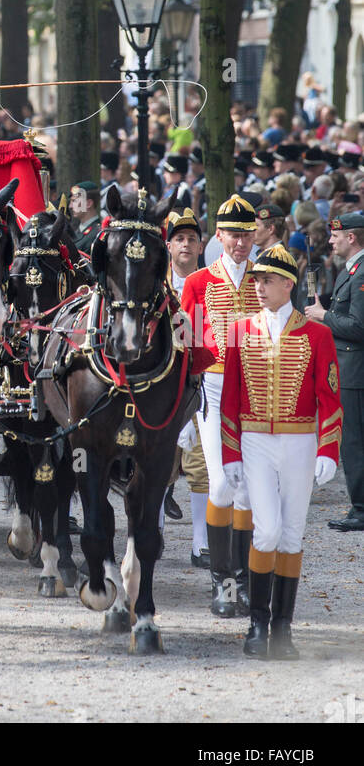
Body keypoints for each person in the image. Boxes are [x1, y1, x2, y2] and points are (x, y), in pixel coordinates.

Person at [223, 244, 342, 658]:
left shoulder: (318, 334)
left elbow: (329, 396)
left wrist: (328, 448)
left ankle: (282, 628)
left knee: (291, 535)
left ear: (289, 284)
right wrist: (230, 454)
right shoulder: (239, 331)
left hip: (299, 442)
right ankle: (257, 623)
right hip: (255, 440)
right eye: (255, 280)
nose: (258, 287)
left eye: (267, 280)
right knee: (267, 530)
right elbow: (230, 399)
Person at [180, 196, 261, 618]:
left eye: (247, 234)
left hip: (256, 389)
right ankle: (223, 584)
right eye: (233, 234)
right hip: (213, 385)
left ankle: (245, 581)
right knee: (221, 484)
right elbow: (189, 344)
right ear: (219, 236)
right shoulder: (197, 283)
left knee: (248, 486)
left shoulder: (267, 279)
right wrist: (185, 409)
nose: (241, 242)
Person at [304, 211, 364, 531]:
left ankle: (361, 508)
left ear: (350, 238)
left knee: (353, 441)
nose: (330, 241)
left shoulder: (361, 272)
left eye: (335, 236)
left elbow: (358, 326)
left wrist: (323, 315)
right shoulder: (350, 271)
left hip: (355, 370)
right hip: (348, 367)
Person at [165, 207, 209, 561]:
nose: (185, 245)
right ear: (168, 246)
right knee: (157, 464)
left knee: (200, 465)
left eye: (191, 239)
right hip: (160, 386)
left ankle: (200, 541)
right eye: (179, 239)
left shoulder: (212, 282)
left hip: (199, 381)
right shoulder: (154, 283)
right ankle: (154, 534)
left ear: (201, 244)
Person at [69, 180, 102, 254]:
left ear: (88, 203)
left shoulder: (97, 234)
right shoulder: (77, 231)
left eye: (74, 201)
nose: (70, 206)